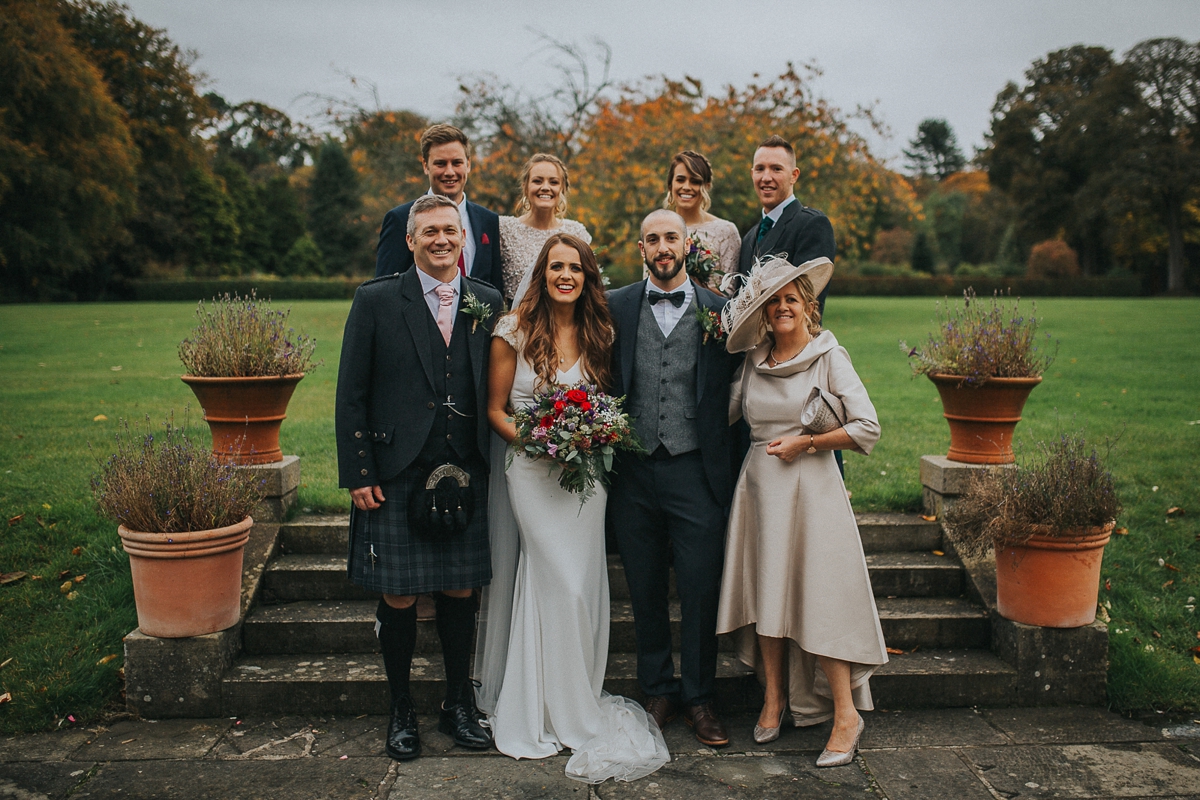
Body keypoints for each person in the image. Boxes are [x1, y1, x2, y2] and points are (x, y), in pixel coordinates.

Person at [480, 232, 669, 783]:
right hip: (533, 474)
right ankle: (540, 707)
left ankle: (576, 696)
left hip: (585, 479)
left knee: (583, 585)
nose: (566, 276)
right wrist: (538, 443)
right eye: (556, 267)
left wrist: (587, 436)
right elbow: (495, 410)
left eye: (576, 269)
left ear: (587, 277)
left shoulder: (599, 332)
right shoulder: (511, 331)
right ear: (541, 273)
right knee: (555, 580)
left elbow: (605, 404)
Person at [336, 194, 503, 761]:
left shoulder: (488, 301)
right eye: (428, 231)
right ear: (410, 241)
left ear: (465, 239)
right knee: (400, 593)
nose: (441, 239)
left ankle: (458, 703)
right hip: (395, 470)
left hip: (466, 469)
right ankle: (401, 707)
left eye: (449, 231)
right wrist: (358, 472)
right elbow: (351, 393)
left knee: (461, 589)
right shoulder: (377, 300)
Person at [716, 254, 886, 767]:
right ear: (764, 313)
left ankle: (844, 717)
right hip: (760, 490)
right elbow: (722, 414)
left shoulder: (829, 356)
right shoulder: (751, 362)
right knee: (767, 593)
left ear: (808, 307)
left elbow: (866, 428)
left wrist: (807, 444)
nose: (783, 307)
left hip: (812, 490)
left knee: (821, 598)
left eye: (792, 299)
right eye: (774, 301)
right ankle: (774, 699)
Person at [605, 210, 741, 748]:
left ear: (688, 244)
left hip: (696, 469)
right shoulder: (615, 305)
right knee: (643, 587)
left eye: (671, 238)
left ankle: (701, 697)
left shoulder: (721, 312)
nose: (663, 246)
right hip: (633, 470)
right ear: (641, 247)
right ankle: (658, 688)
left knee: (700, 587)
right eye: (653, 239)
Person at [374, 124, 503, 289]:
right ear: (425, 166)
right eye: (440, 164)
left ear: (468, 164)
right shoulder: (400, 219)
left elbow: (495, 290)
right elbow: (385, 289)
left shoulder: (489, 220)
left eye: (457, 163)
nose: (449, 172)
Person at [737, 135, 836, 314]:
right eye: (760, 169)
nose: (766, 177)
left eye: (776, 169)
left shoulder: (812, 225)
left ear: (794, 175)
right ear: (752, 174)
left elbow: (808, 302)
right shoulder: (749, 237)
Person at [498, 153, 592, 302]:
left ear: (563, 189)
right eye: (537, 181)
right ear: (525, 187)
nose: (545, 188)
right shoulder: (504, 229)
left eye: (553, 182)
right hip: (518, 319)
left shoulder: (577, 232)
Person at [662, 150, 740, 290]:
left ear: (707, 186)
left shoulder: (726, 232)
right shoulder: (657, 230)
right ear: (670, 185)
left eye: (695, 181)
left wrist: (697, 289)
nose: (686, 187)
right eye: (680, 180)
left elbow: (732, 294)